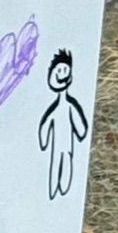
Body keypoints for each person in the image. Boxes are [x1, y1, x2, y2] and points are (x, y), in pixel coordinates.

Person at [38, 50, 88, 200]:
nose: (61, 74)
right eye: (58, 70)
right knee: (55, 168)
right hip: (57, 147)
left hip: (67, 147)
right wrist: (44, 140)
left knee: (65, 167)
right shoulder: (55, 110)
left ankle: (59, 194)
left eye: (64, 70)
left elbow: (81, 130)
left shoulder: (69, 106)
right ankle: (54, 194)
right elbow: (45, 126)